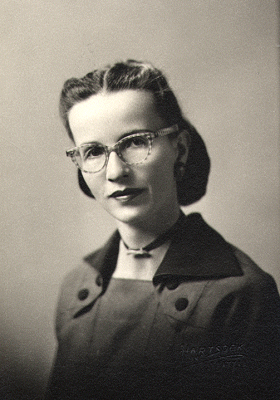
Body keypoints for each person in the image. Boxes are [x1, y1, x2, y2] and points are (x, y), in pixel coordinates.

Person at [46, 60, 280, 400]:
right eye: (94, 151)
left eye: (136, 142)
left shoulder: (240, 296)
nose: (115, 172)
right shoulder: (76, 288)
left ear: (179, 149)